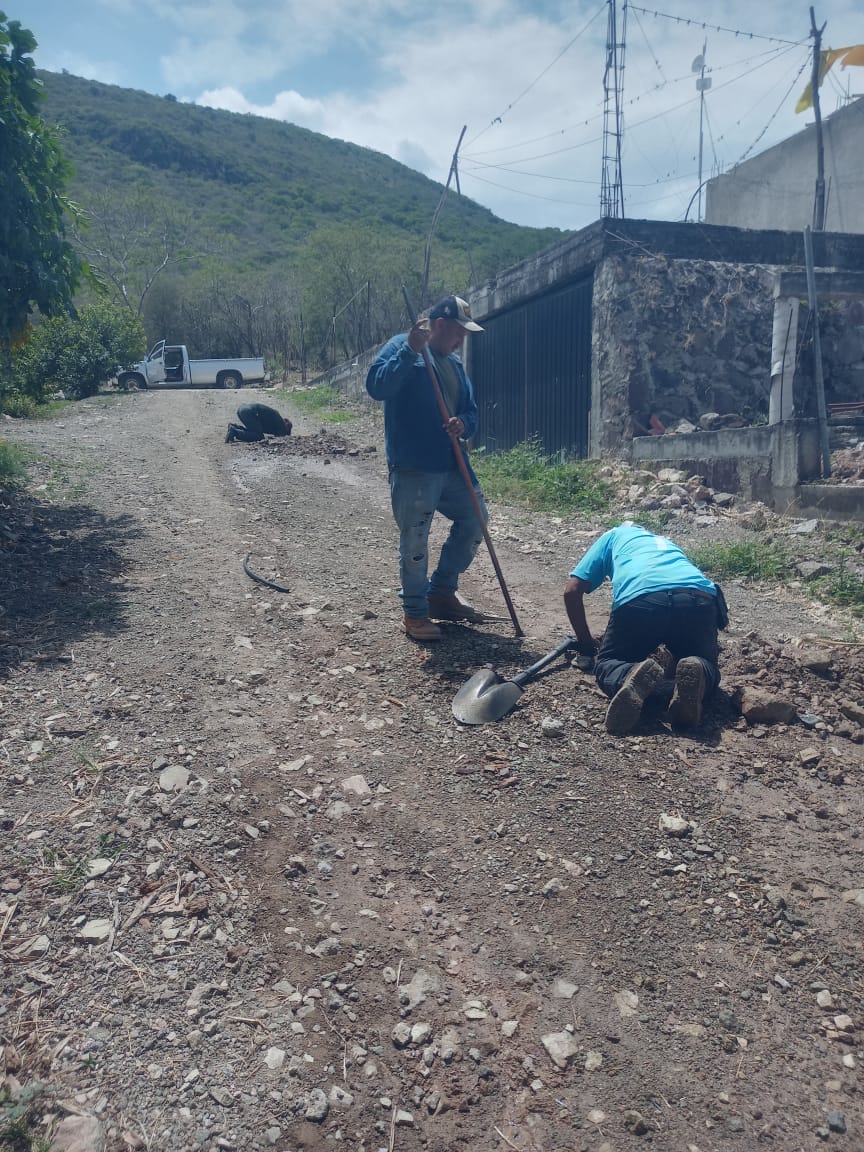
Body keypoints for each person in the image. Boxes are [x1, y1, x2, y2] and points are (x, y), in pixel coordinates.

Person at [366, 295, 487, 642]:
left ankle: (441, 594)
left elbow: (472, 411)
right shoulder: (400, 347)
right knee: (416, 538)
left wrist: (463, 423)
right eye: (458, 333)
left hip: (452, 463)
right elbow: (377, 387)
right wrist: (408, 352)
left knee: (476, 518)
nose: (461, 340)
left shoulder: (456, 365)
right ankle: (416, 613)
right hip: (414, 467)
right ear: (440, 325)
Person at [563, 522, 726, 735]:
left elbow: (572, 591)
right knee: (702, 662)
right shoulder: (666, 543)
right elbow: (675, 609)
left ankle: (629, 675)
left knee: (609, 664)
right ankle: (699, 672)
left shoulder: (613, 536)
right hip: (699, 598)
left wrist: (585, 642)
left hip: (643, 599)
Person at [225, 403, 292, 443]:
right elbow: (283, 437)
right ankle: (235, 432)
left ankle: (234, 427)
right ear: (286, 426)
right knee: (259, 436)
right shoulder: (280, 423)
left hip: (242, 409)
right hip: (249, 412)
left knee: (254, 431)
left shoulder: (276, 418)